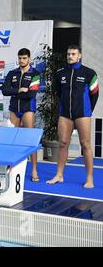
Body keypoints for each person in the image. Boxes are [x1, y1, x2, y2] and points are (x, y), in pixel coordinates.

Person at [47, 45, 99, 189]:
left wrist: (87, 111)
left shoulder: (89, 73)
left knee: (86, 144)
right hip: (65, 114)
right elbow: (57, 92)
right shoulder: (60, 73)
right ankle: (59, 175)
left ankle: (89, 179)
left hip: (83, 114)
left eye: (73, 54)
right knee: (63, 143)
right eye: (69, 54)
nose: (70, 56)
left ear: (79, 56)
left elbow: (94, 93)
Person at [2, 48, 41, 182]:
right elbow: (4, 91)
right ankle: (12, 168)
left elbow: (31, 94)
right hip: (14, 108)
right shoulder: (12, 73)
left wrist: (16, 92)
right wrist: (19, 90)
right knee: (13, 140)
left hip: (27, 109)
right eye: (20, 58)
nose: (21, 60)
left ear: (29, 59)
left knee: (30, 140)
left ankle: (34, 169)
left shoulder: (35, 74)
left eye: (24, 58)